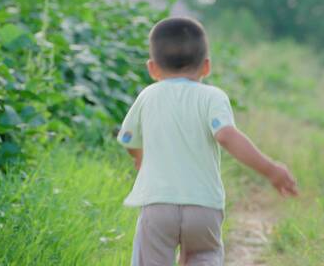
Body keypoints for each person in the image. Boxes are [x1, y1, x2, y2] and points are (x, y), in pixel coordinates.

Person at [117, 17, 298, 266]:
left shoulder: (147, 96)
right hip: (203, 206)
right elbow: (225, 135)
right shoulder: (213, 97)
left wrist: (139, 157)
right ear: (206, 66)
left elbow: (129, 137)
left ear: (152, 68)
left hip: (157, 204)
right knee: (204, 256)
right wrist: (271, 169)